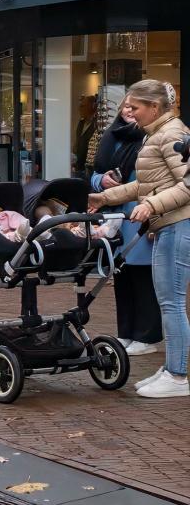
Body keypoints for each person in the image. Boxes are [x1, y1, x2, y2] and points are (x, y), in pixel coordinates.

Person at [90, 80, 190, 398]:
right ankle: (173, 368)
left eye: (135, 107)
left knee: (172, 303)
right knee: (169, 302)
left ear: (154, 107)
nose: (129, 112)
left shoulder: (171, 134)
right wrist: (105, 197)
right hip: (169, 224)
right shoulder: (157, 134)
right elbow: (144, 185)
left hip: (177, 224)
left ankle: (177, 376)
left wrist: (151, 205)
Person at [89, 104, 163, 357]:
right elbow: (95, 174)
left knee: (144, 277)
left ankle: (147, 336)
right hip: (114, 217)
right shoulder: (112, 137)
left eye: (136, 106)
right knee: (122, 275)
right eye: (126, 105)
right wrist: (101, 181)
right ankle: (127, 332)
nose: (130, 110)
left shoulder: (153, 138)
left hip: (141, 214)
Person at [74, 95, 98, 177]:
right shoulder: (81, 123)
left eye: (82, 106)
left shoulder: (97, 124)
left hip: (91, 167)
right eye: (80, 106)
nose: (79, 109)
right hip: (79, 166)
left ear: (92, 106)